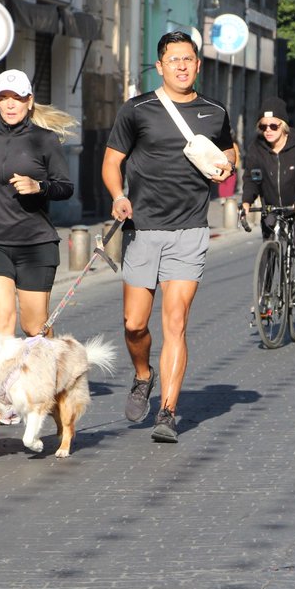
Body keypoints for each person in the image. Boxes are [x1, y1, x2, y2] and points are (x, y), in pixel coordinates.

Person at [101, 30, 235, 443]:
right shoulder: (137, 109)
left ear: (198, 65)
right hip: (143, 229)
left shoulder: (214, 111)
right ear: (160, 66)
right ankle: (143, 374)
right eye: (173, 59)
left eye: (188, 59)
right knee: (134, 325)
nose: (181, 65)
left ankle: (168, 412)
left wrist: (227, 167)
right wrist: (118, 196)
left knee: (175, 322)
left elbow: (229, 151)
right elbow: (111, 162)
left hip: (190, 229)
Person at [0, 69, 75, 339]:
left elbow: (65, 187)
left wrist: (39, 186)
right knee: (1, 325)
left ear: (29, 101)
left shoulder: (45, 139)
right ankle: (8, 371)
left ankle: (51, 365)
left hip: (34, 244)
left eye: (18, 98)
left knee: (34, 328)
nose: (10, 104)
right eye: (4, 98)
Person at [241, 97, 295, 300]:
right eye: (263, 126)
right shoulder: (256, 149)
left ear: (283, 126)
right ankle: (264, 297)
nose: (268, 130)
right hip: (272, 207)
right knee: (268, 248)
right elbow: (252, 178)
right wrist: (247, 201)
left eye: (273, 126)